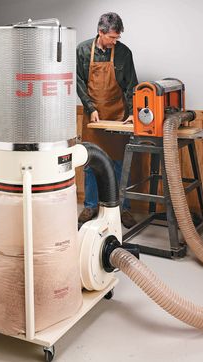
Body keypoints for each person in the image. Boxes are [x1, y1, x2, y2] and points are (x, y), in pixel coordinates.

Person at [77, 12, 138, 228]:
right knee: (90, 163)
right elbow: (79, 82)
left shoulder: (123, 53)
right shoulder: (83, 50)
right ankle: (90, 205)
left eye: (117, 38)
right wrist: (90, 107)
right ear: (100, 32)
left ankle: (123, 208)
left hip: (118, 116)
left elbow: (132, 85)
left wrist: (131, 112)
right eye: (112, 37)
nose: (114, 41)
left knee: (119, 162)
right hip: (93, 116)